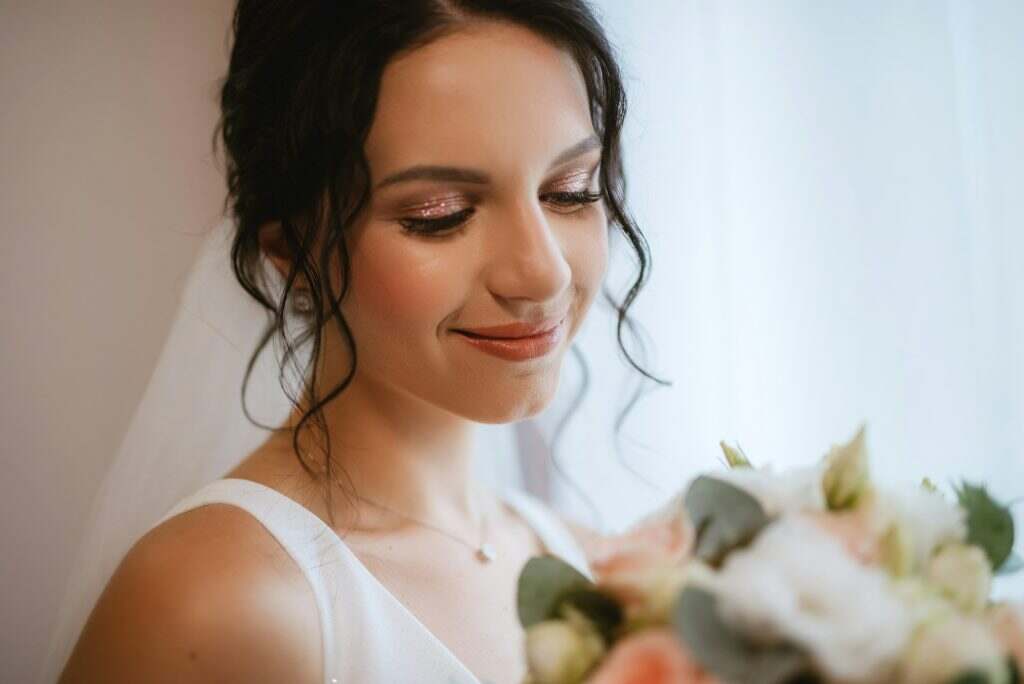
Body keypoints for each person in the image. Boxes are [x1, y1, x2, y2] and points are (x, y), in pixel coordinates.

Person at [52, 1, 665, 682]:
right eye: (442, 216)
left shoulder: (589, 566)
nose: (542, 271)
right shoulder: (215, 607)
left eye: (570, 191)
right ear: (290, 249)